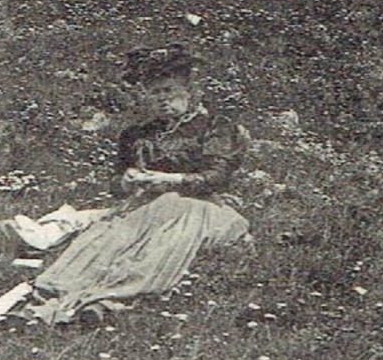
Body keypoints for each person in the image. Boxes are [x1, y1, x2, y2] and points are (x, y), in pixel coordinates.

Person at [25, 44, 249, 324]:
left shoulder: (215, 125)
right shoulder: (137, 134)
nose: (162, 99)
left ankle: (110, 299)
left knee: (167, 230)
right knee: (105, 236)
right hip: (143, 206)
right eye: (155, 93)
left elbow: (216, 177)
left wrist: (165, 180)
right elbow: (115, 186)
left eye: (169, 90)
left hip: (201, 206)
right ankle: (56, 295)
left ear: (189, 92)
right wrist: (127, 181)